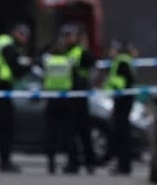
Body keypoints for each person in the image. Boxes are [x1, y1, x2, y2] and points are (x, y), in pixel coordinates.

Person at [0, 22, 32, 173]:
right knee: (6, 127)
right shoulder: (8, 46)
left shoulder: (3, 42)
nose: (25, 39)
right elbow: (17, 70)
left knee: (4, 126)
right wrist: (30, 65)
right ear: (17, 33)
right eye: (24, 35)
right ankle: (5, 162)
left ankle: (5, 160)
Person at [61, 23, 96, 174]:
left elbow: (91, 62)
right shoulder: (64, 52)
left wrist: (85, 47)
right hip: (70, 96)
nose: (67, 38)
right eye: (65, 36)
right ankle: (73, 163)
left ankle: (89, 163)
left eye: (70, 35)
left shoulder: (79, 52)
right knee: (71, 132)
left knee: (83, 132)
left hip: (80, 96)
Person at [41, 40, 75, 174]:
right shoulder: (69, 61)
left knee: (51, 132)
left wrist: (47, 46)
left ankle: (51, 164)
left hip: (51, 99)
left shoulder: (48, 61)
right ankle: (71, 162)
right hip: (66, 99)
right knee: (68, 132)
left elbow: (39, 56)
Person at [104, 40, 137, 175]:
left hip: (123, 100)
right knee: (121, 133)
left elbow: (122, 81)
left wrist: (109, 83)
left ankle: (124, 166)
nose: (109, 52)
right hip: (123, 100)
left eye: (111, 50)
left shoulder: (121, 61)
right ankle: (123, 164)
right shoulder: (123, 60)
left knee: (122, 134)